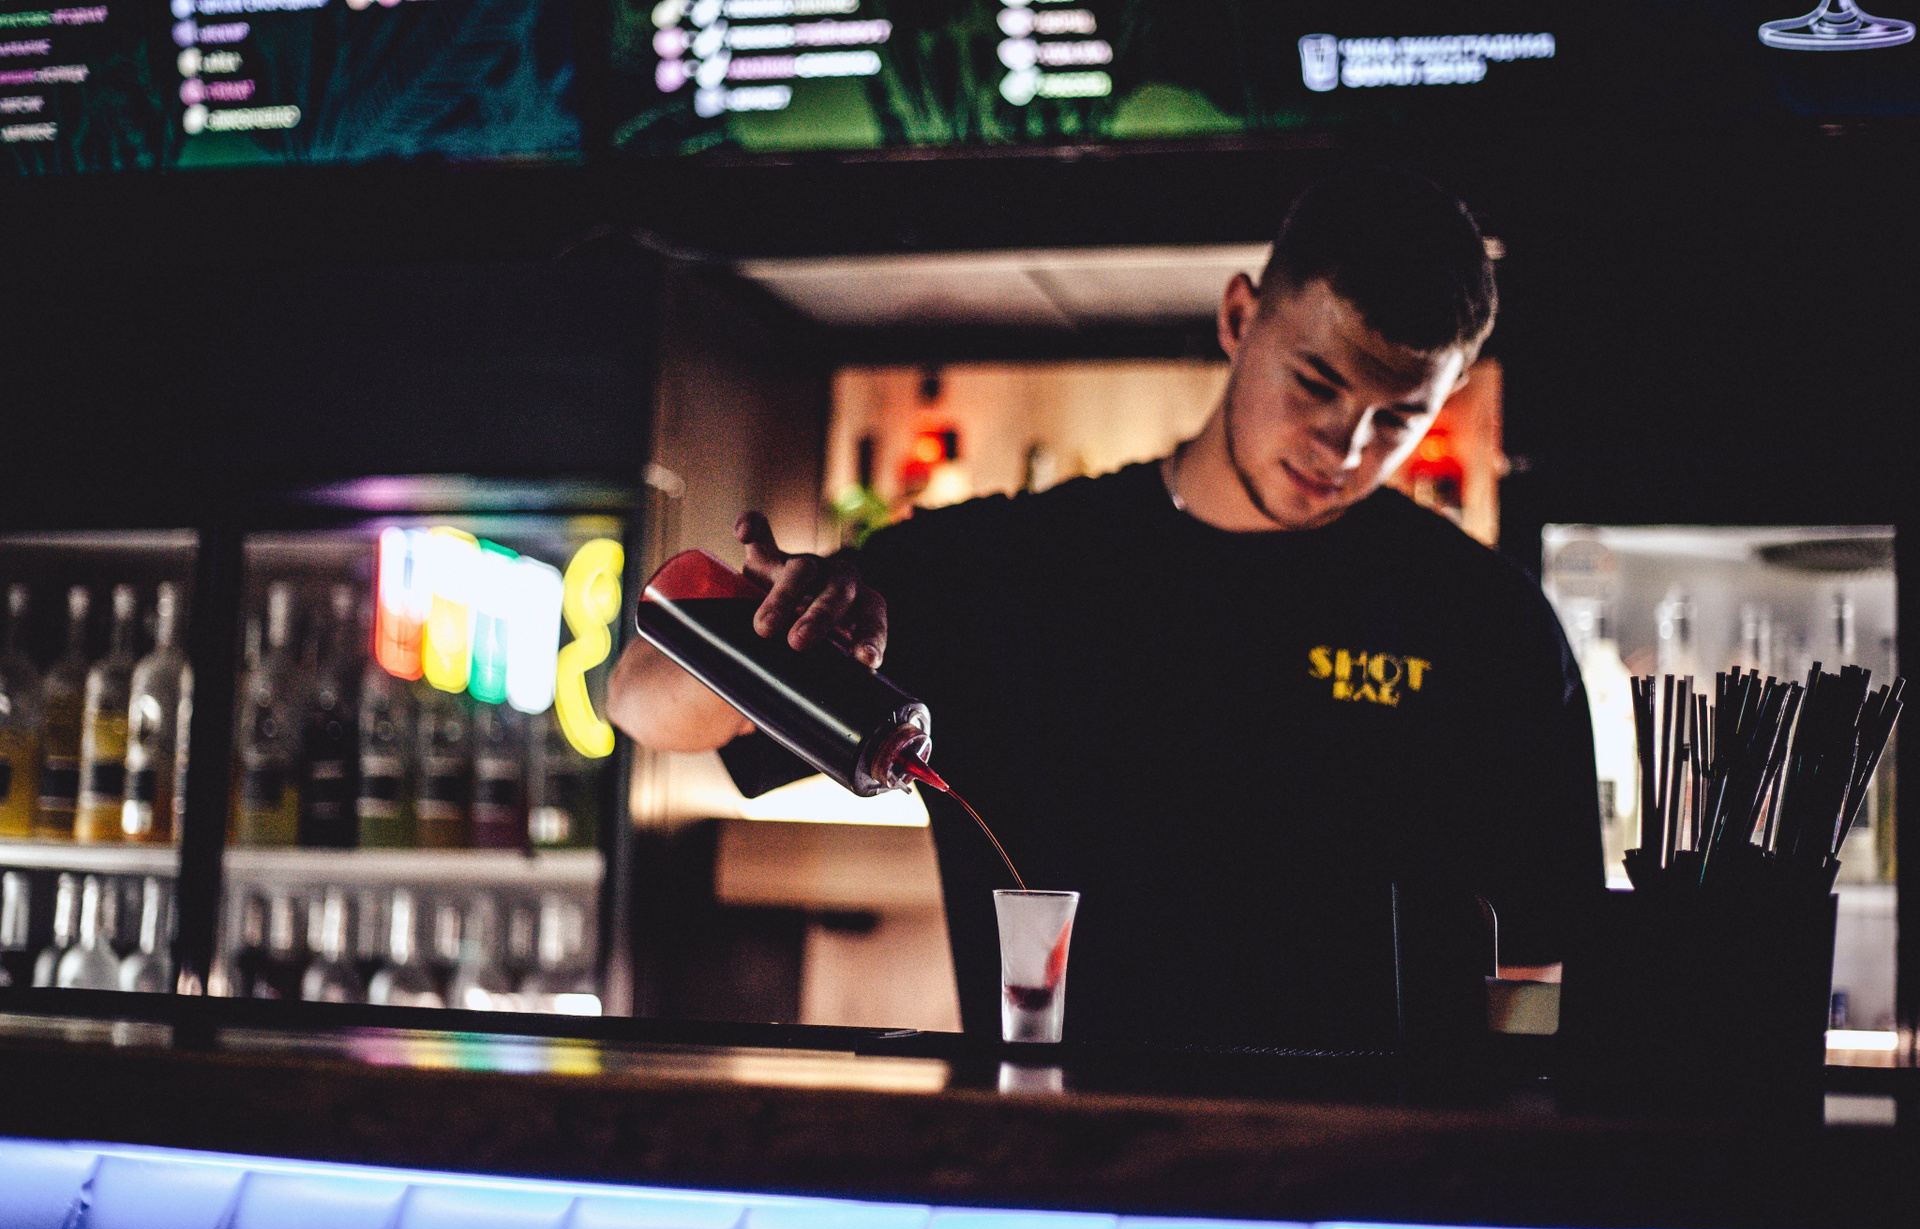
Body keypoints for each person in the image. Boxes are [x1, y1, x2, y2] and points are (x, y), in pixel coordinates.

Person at [610, 167, 1604, 1048]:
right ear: (1239, 317)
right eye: (1316, 382)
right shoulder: (1005, 570)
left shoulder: (1484, 622)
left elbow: (1543, 964)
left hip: (1357, 1172)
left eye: (1398, 419)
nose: (1344, 447)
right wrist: (780, 632)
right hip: (1059, 1160)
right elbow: (639, 698)